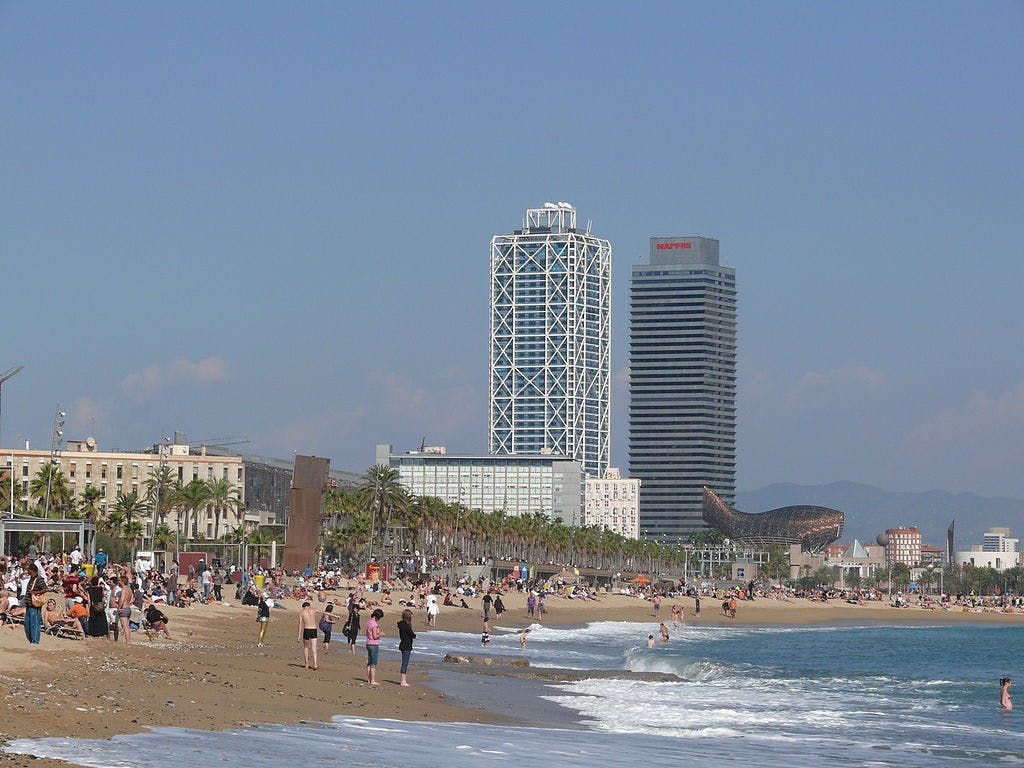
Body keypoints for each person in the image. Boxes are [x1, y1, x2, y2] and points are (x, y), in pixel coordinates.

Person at [23, 563, 47, 645]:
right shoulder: (32, 579)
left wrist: (35, 592)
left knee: (35, 623)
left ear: (32, 570)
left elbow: (45, 589)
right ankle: (31, 639)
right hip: (29, 605)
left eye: (28, 569)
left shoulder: (39, 579)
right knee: (27, 623)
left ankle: (35, 641)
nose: (27, 571)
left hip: (34, 606)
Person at [297, 601, 319, 670]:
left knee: (306, 647)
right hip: (314, 630)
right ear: (309, 606)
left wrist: (299, 636)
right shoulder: (313, 610)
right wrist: (335, 616)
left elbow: (300, 625)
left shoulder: (302, 612)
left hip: (307, 630)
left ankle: (306, 664)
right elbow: (324, 612)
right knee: (314, 648)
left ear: (304, 607)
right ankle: (315, 664)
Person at [397, 608, 416, 687]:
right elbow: (412, 635)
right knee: (405, 663)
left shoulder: (401, 624)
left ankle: (403, 680)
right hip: (406, 645)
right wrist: (414, 635)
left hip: (403, 644)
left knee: (404, 663)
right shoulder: (407, 626)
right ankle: (403, 681)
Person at [365, 608, 383, 686]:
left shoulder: (369, 622)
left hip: (368, 643)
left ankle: (369, 679)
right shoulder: (374, 624)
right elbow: (375, 636)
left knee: (369, 662)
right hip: (373, 644)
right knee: (373, 663)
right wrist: (381, 634)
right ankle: (372, 680)